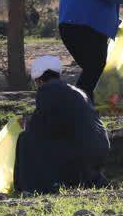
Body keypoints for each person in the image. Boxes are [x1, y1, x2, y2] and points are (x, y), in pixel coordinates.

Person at [14, 55, 111, 194]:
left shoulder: (47, 90)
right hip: (99, 149)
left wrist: (26, 124)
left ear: (38, 78)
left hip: (80, 152)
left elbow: (40, 126)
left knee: (25, 139)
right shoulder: (76, 91)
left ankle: (31, 187)